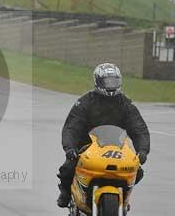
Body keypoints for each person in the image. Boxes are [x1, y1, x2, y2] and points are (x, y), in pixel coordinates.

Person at [56, 63, 151, 208]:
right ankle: (66, 194)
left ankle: (124, 199)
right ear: (98, 81)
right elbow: (71, 127)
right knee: (67, 169)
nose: (111, 85)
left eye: (114, 81)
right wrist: (70, 148)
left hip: (117, 148)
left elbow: (139, 129)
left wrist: (143, 151)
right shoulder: (85, 102)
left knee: (137, 172)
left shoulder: (125, 104)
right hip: (87, 146)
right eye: (108, 81)